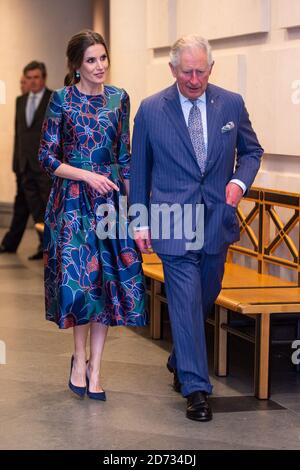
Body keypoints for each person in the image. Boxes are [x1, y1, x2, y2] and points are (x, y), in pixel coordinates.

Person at [130, 35, 263, 421]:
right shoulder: (152, 110)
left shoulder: (231, 103)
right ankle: (196, 389)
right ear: (173, 69)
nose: (193, 79)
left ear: (210, 68)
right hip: (173, 221)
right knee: (186, 301)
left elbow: (252, 151)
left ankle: (179, 357)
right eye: (186, 71)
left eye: (200, 71)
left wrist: (238, 184)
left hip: (215, 220)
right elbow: (140, 171)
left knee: (205, 295)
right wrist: (139, 220)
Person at [38, 30, 147, 400]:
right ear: (76, 66)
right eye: (91, 60)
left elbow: (126, 158)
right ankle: (79, 358)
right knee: (81, 285)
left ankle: (96, 368)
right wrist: (86, 174)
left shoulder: (119, 99)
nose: (99, 66)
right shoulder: (61, 100)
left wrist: (137, 215)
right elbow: (47, 158)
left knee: (106, 286)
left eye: (103, 58)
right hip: (71, 202)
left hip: (110, 203)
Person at [0, 62, 52, 260]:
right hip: (25, 165)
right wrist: (16, 163)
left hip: (45, 165)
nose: (32, 81)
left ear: (44, 78)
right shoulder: (20, 101)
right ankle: (43, 245)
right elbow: (18, 134)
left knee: (48, 206)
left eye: (36, 77)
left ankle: (49, 245)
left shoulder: (52, 99)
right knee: (34, 208)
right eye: (28, 78)